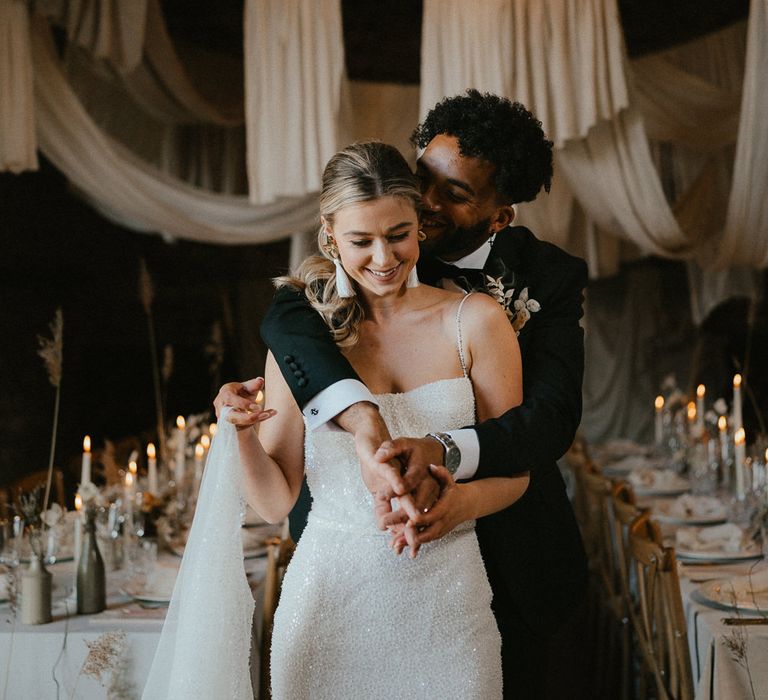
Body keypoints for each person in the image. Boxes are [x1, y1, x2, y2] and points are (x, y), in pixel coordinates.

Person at [217, 90, 588, 698]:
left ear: (501, 216)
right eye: (425, 181)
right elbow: (289, 313)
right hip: (341, 579)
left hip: (496, 558)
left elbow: (545, 425)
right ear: (335, 237)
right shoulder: (308, 312)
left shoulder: (526, 290)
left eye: (455, 195)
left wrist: (445, 465)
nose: (428, 203)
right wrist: (351, 423)